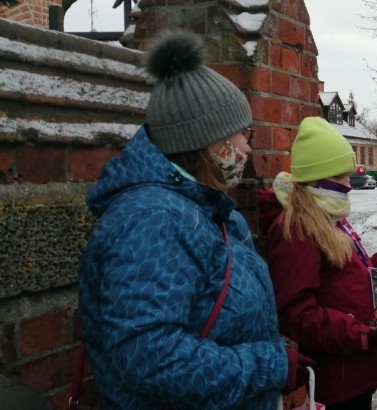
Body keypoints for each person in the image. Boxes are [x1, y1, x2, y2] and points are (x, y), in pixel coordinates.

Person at [77, 31, 310, 409]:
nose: (248, 146)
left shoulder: (206, 208)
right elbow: (149, 357)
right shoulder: (152, 220)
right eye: (242, 133)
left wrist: (276, 356)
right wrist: (269, 366)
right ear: (208, 142)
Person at [257, 117, 377, 410]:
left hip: (356, 369)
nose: (349, 186)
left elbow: (339, 273)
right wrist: (365, 337)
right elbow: (296, 314)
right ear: (315, 178)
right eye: (340, 177)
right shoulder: (298, 228)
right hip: (338, 380)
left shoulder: (328, 215)